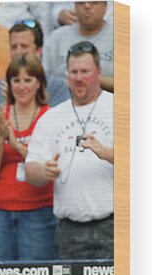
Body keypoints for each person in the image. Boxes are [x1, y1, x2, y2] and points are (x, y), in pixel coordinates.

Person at [25, 41, 114, 259]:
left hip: (115, 224)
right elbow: (30, 171)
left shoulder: (119, 108)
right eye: (73, 72)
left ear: (99, 72)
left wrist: (107, 153)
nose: (78, 77)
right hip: (70, 230)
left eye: (85, 71)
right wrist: (44, 171)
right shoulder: (52, 117)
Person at [0, 54, 56, 261]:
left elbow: (48, 165)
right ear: (9, 84)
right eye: (16, 80)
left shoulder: (51, 117)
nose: (22, 87)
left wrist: (14, 144)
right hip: (1, 211)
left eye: (28, 80)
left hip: (40, 211)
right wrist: (0, 139)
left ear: (39, 83)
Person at [0, 19, 70, 147]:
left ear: (39, 51)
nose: (18, 52)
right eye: (14, 47)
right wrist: (7, 108)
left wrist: (19, 105)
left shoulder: (56, 86)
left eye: (24, 46)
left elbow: (64, 126)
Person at [43, 1, 113, 92]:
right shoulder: (56, 38)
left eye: (94, 2)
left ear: (105, 7)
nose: (87, 6)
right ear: (74, 7)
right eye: (81, 3)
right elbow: (43, 80)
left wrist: (91, 79)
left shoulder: (121, 37)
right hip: (61, 100)